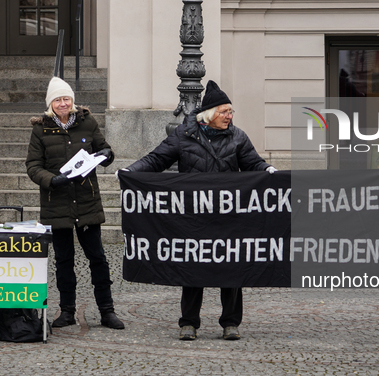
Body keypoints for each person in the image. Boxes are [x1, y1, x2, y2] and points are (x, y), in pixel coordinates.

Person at [120, 80, 276, 341]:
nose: (230, 116)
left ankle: (230, 322)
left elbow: (253, 163)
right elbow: (156, 159)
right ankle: (189, 322)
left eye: (230, 112)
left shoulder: (238, 136)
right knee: (192, 267)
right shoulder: (184, 135)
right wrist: (130, 173)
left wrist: (268, 171)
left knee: (232, 268)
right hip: (193, 216)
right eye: (225, 112)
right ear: (210, 114)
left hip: (229, 216)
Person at [26, 77, 124, 330]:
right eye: (57, 99)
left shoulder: (87, 122)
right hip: (56, 202)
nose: (63, 103)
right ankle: (67, 311)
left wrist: (106, 155)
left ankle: (107, 311)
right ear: (50, 104)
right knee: (64, 260)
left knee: (98, 259)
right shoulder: (41, 129)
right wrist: (52, 179)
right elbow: (33, 166)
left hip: (86, 201)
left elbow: (104, 149)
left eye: (66, 98)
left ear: (72, 101)